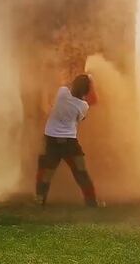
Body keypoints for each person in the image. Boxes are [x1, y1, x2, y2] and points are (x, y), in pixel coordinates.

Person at [35, 73, 102, 207]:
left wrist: (83, 78)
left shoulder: (62, 92)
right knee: (81, 172)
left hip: (51, 140)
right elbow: (80, 118)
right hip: (69, 143)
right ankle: (91, 202)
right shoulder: (83, 106)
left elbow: (67, 84)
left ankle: (40, 199)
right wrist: (90, 81)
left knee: (47, 172)